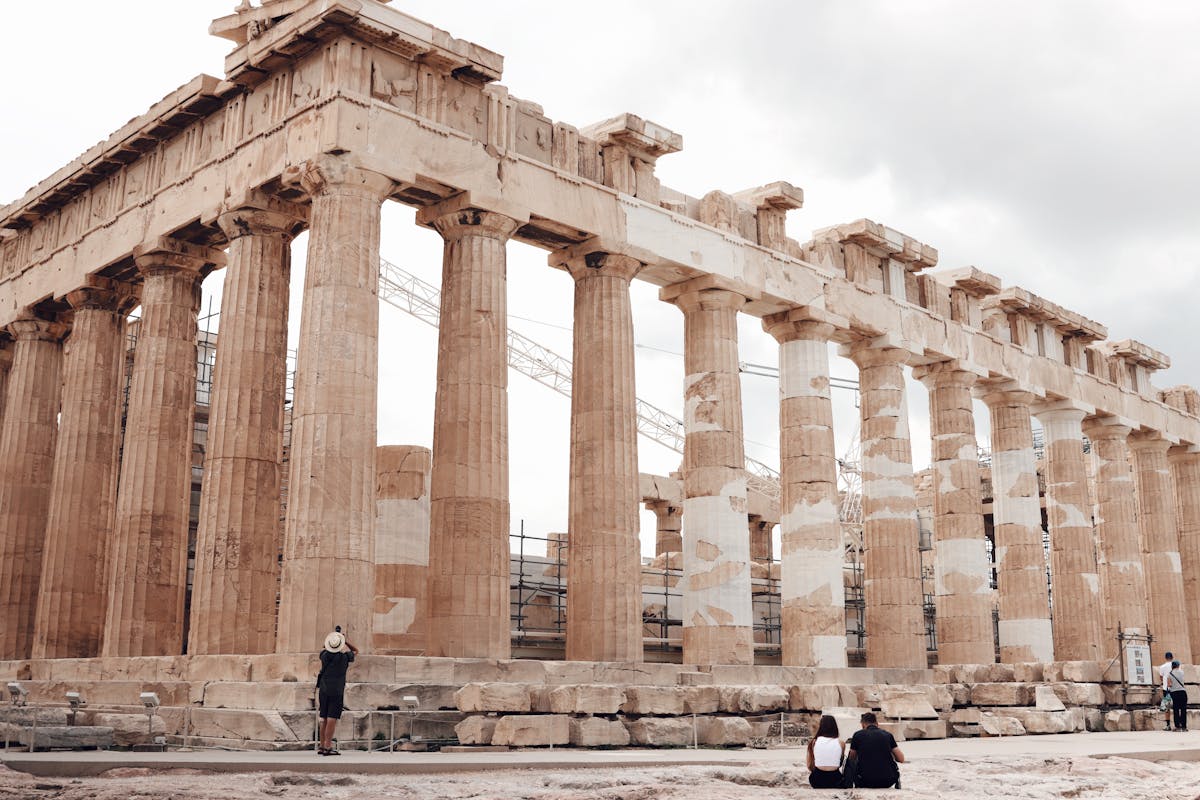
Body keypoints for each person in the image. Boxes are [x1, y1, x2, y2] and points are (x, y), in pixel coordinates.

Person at [316, 626, 358, 755]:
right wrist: (344, 640)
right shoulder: (344, 658)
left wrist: (333, 638)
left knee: (323, 717)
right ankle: (328, 746)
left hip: (323, 689)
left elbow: (325, 647)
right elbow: (356, 650)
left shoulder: (323, 655)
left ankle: (322, 745)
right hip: (337, 690)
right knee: (332, 718)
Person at [847, 711, 905, 789]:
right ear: (877, 723)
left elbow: (851, 759)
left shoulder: (858, 735)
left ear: (863, 724)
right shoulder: (888, 735)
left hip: (864, 781)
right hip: (888, 781)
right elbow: (901, 759)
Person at [806, 714, 846, 789]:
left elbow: (809, 765)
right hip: (835, 780)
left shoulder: (814, 742)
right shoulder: (841, 743)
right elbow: (839, 763)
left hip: (817, 780)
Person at [1167, 659, 1188, 732]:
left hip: (1174, 693)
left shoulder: (1170, 674)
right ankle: (1184, 727)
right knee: (1183, 710)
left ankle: (1177, 727)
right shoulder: (1182, 672)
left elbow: (1169, 684)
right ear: (1178, 665)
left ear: (1172, 666)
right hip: (1183, 692)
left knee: (1176, 710)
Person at [1160, 651, 1176, 731]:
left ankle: (1168, 725)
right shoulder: (1176, 666)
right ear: (1172, 657)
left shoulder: (1162, 667)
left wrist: (1163, 683)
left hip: (1166, 689)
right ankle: (1178, 724)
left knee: (1167, 708)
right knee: (1176, 706)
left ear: (1165, 658)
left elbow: (1161, 677)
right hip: (1175, 689)